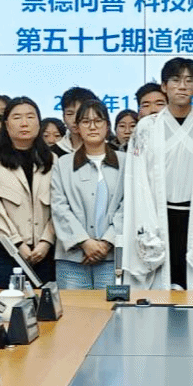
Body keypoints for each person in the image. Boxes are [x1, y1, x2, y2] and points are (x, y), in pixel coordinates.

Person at [123, 58, 193, 290]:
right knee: (158, 294)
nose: (182, 86)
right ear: (164, 86)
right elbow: (137, 182)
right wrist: (146, 226)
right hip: (157, 218)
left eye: (189, 80)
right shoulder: (146, 128)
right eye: (175, 80)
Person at [0, 97, 56, 286]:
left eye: (30, 117)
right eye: (17, 117)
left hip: (43, 251)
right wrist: (17, 243)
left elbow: (60, 205)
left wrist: (46, 241)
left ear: (39, 123)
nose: (24, 123)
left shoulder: (52, 159)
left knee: (43, 302)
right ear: (6, 124)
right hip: (1, 249)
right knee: (5, 302)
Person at [51, 99, 125, 289]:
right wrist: (84, 242)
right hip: (72, 257)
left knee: (112, 306)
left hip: (113, 255)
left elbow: (129, 206)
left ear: (107, 126)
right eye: (85, 121)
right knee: (73, 307)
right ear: (77, 127)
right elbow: (59, 207)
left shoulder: (126, 162)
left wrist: (107, 242)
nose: (92, 127)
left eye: (98, 121)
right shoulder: (63, 164)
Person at [51, 87, 99, 157]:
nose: (75, 120)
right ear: (63, 117)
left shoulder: (109, 150)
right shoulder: (52, 153)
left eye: (81, 113)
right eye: (69, 114)